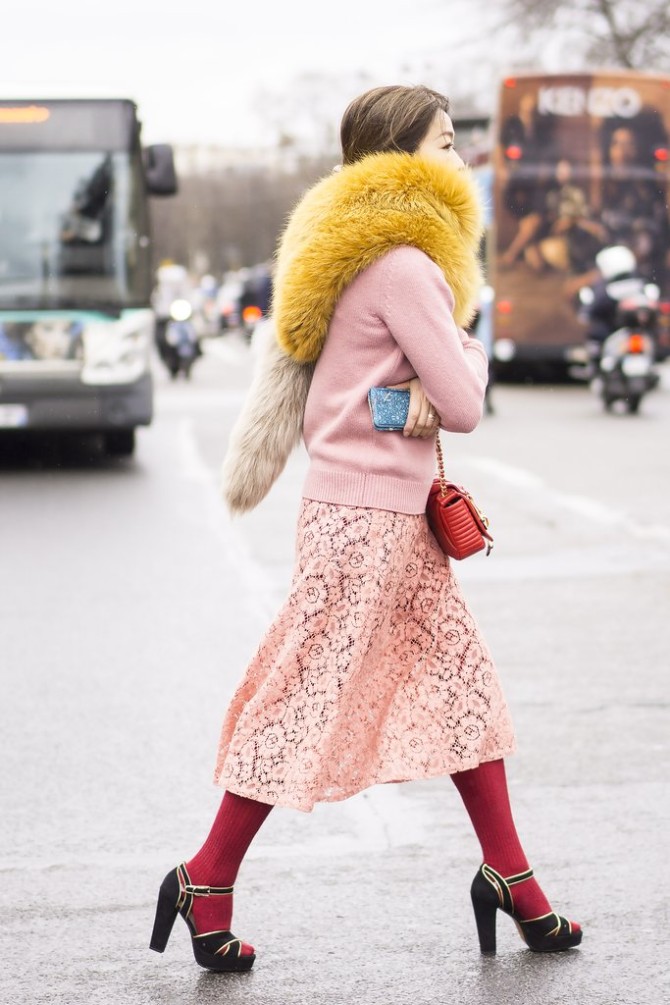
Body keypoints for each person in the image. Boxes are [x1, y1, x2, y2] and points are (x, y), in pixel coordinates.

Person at [150, 84, 582, 973]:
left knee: (466, 694)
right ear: (403, 159)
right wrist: (466, 345)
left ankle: (514, 877)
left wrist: (400, 399)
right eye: (448, 143)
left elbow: (355, 396)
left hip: (379, 518)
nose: (459, 159)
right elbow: (463, 403)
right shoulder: (406, 265)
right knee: (302, 698)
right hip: (372, 523)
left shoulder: (347, 254)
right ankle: (206, 874)